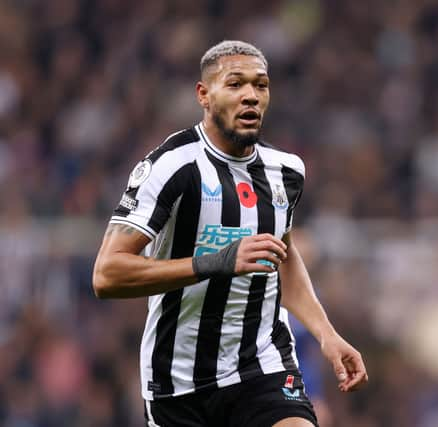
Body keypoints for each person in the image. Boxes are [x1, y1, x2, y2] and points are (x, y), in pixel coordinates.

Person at [92, 40, 368, 427]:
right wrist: (215, 262)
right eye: (236, 84)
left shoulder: (286, 171)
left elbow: (283, 258)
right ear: (204, 95)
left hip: (262, 368)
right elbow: (107, 275)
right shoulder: (171, 166)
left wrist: (326, 334)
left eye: (261, 85)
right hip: (179, 381)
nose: (251, 96)